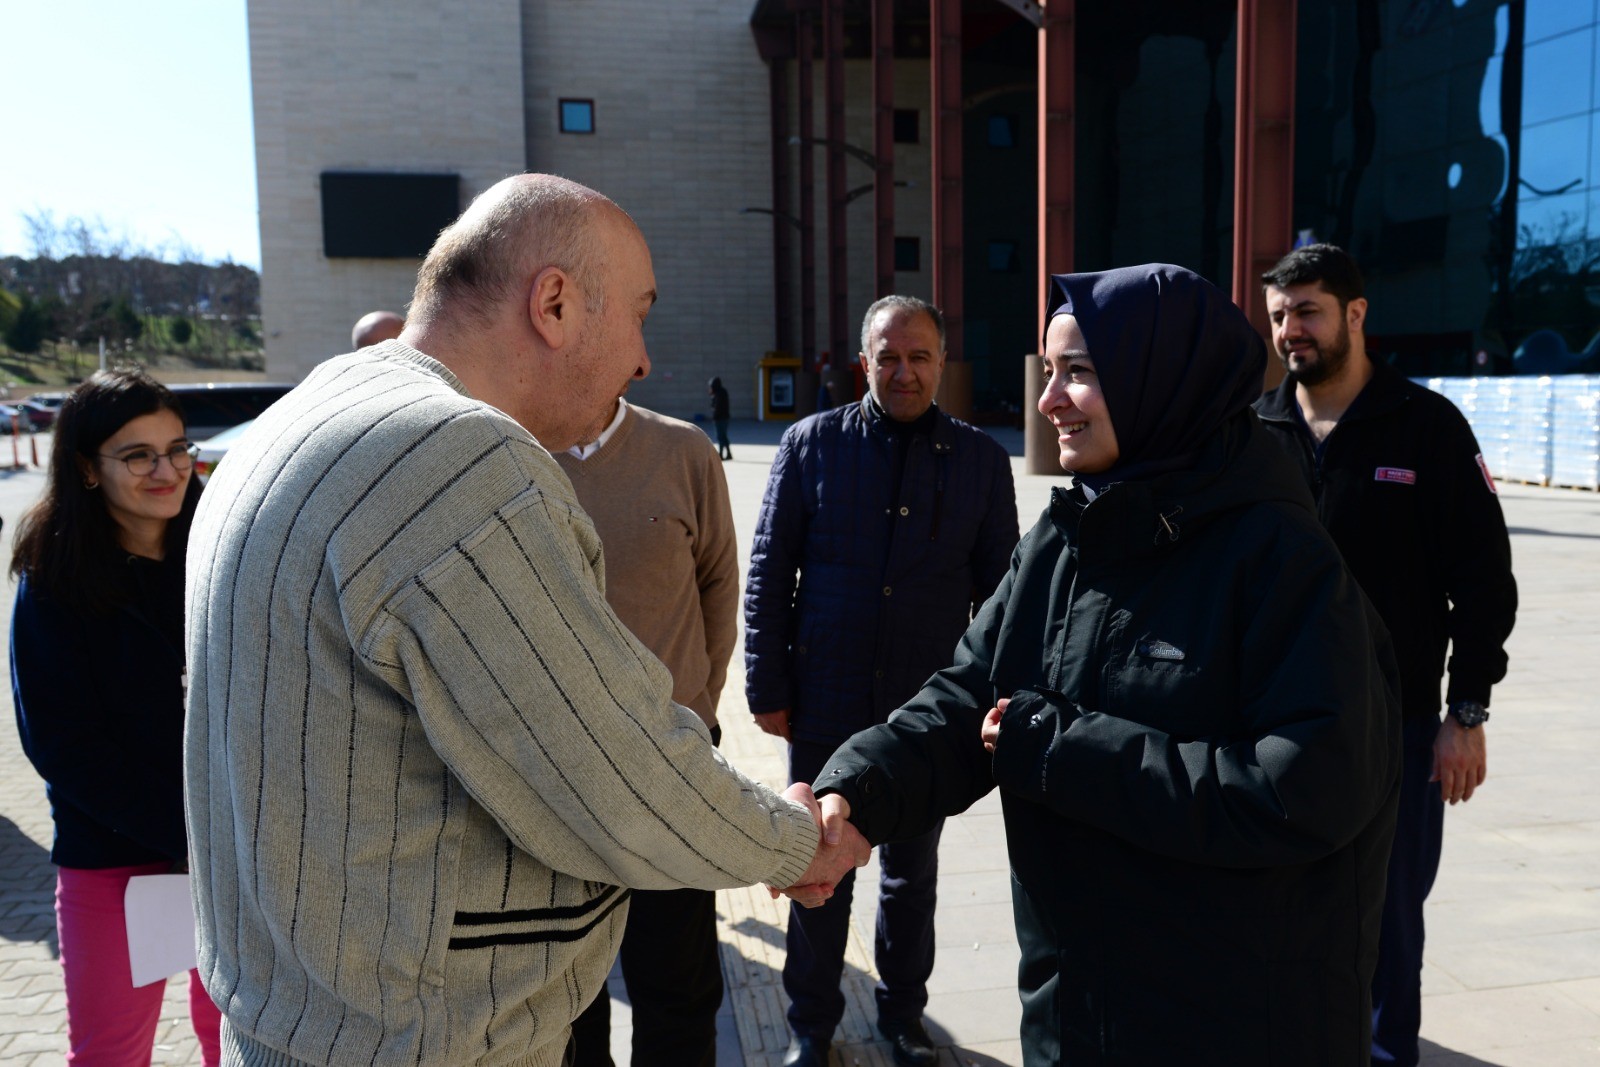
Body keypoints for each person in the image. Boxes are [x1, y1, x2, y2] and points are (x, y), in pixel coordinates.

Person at [184, 173, 869, 1066]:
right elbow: (611, 773)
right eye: (639, 314)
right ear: (553, 303)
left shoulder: (307, 416)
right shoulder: (448, 455)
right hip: (420, 1037)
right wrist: (792, 844)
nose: (645, 361)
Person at [809, 265, 1403, 1065]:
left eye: (1079, 374)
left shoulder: (1284, 563)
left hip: (1233, 1026)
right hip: (1074, 1016)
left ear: (1166, 381)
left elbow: (1303, 792)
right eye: (1050, 372)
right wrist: (855, 795)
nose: (1049, 400)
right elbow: (969, 699)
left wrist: (1063, 751)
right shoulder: (1067, 536)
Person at [1253, 244, 1518, 1067]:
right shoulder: (1254, 432)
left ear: (1356, 314)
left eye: (1308, 311)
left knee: (1388, 922)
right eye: (1278, 316)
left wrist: (1464, 712)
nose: (1291, 330)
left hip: (1394, 732)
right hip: (1269, 728)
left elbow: (1484, 584)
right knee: (1273, 911)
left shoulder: (1427, 427)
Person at [744, 294, 1019, 1067]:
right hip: (823, 699)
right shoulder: (810, 446)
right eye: (888, 357)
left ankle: (902, 1016)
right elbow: (769, 573)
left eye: (920, 356)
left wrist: (988, 700)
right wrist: (767, 683)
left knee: (909, 876)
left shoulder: (979, 461)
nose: (904, 371)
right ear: (864, 361)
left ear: (941, 362)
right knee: (815, 870)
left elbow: (1003, 597)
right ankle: (810, 1023)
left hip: (921, 715)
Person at [10, 369, 223, 1065]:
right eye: (138, 455)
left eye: (178, 448)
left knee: (239, 1041)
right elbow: (63, 746)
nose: (167, 470)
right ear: (86, 468)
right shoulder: (54, 582)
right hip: (116, 864)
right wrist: (184, 827)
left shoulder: (219, 552)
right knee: (109, 1053)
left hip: (231, 860)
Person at [556, 395, 740, 1067]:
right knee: (569, 989)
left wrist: (699, 705)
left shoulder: (684, 450)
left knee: (678, 980)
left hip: (673, 766)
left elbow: (720, 582)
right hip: (556, 776)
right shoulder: (508, 452)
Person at [708, 376, 732, 460]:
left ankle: (721, 454)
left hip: (719, 418)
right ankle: (729, 453)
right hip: (725, 418)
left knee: (720, 436)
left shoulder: (718, 394)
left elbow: (717, 407)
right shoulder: (723, 392)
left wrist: (714, 417)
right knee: (724, 436)